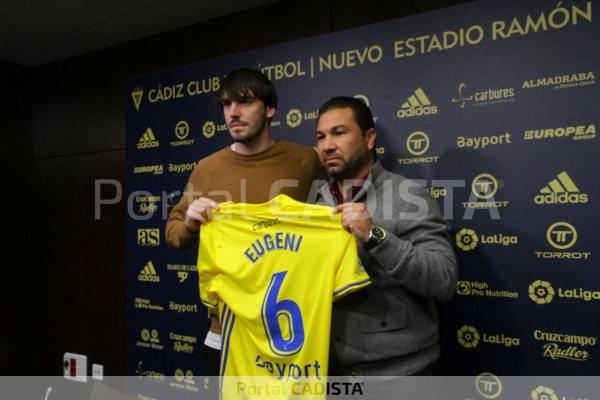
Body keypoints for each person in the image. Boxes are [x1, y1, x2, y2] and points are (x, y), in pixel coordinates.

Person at [165, 68, 326, 377]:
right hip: (223, 332)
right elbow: (172, 233)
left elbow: (327, 223)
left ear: (270, 109)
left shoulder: (307, 161)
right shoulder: (207, 169)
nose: (233, 113)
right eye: (226, 105)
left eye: (245, 102)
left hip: (288, 332)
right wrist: (190, 224)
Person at [314, 96, 458, 376]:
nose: (328, 145)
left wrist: (374, 235)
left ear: (369, 139)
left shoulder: (409, 196)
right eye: (320, 137)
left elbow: (444, 280)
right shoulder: (316, 205)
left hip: (399, 375)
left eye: (339, 133)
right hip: (331, 371)